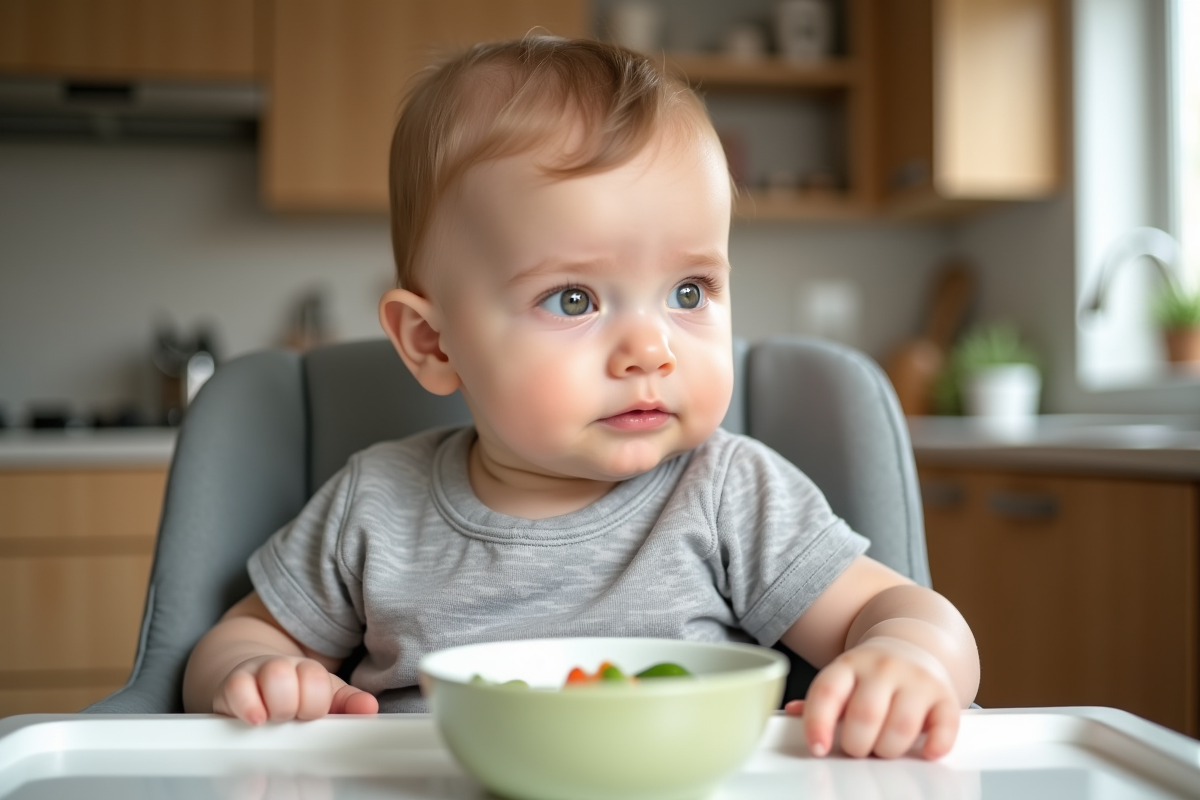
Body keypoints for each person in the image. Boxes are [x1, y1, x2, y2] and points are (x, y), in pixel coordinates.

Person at [183, 36, 978, 760]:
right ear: (433, 343)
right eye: (573, 300)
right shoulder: (375, 504)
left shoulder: (730, 491)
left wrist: (908, 660)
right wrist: (260, 674)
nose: (650, 349)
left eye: (690, 290)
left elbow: (911, 614)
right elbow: (236, 640)